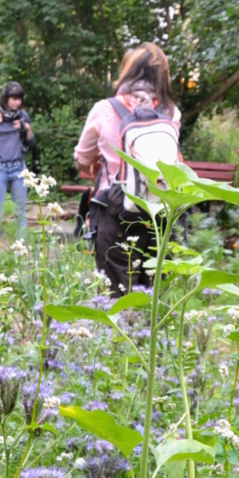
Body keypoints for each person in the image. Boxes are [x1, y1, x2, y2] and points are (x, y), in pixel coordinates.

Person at [74, 42, 179, 296]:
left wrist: (99, 162)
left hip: (115, 211)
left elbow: (81, 159)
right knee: (155, 300)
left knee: (117, 297)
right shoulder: (170, 113)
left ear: (128, 71)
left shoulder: (104, 109)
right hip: (159, 215)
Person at [0, 81, 35, 263]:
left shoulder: (23, 116)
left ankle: (20, 252)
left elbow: (30, 142)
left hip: (18, 168)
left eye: (20, 99)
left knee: (20, 212)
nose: (17, 103)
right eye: (14, 99)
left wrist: (26, 128)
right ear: (6, 98)